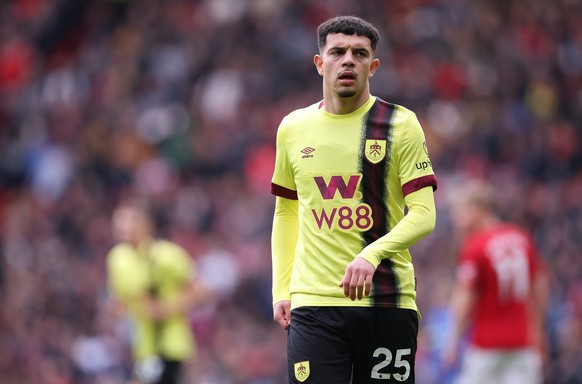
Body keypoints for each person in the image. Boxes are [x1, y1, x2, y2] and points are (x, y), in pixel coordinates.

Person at [270, 15, 438, 383]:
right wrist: (281, 289)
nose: (348, 60)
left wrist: (371, 253)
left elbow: (424, 214)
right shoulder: (293, 128)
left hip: (386, 301)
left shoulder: (400, 124)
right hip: (313, 304)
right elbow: (286, 212)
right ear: (320, 63)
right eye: (338, 52)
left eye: (359, 54)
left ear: (372, 66)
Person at [443, 179, 548, 384]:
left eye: (460, 212)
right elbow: (540, 288)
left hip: (486, 345)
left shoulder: (475, 246)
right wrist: (538, 332)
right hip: (523, 343)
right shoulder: (522, 238)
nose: (456, 220)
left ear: (479, 209)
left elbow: (464, 299)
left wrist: (452, 341)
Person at [106, 197, 205, 384]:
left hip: (170, 345)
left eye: (130, 220)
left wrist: (165, 309)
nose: (124, 226)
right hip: (143, 346)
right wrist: (116, 308)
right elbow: (121, 299)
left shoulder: (168, 256)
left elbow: (200, 290)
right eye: (119, 221)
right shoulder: (116, 259)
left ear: (146, 224)